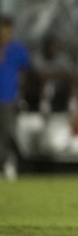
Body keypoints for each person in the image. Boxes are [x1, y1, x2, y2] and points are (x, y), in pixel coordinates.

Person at [0, 16, 29, 180]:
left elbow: (23, 75)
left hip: (8, 97)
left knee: (7, 132)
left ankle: (8, 163)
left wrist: (20, 96)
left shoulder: (17, 49)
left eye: (6, 29)